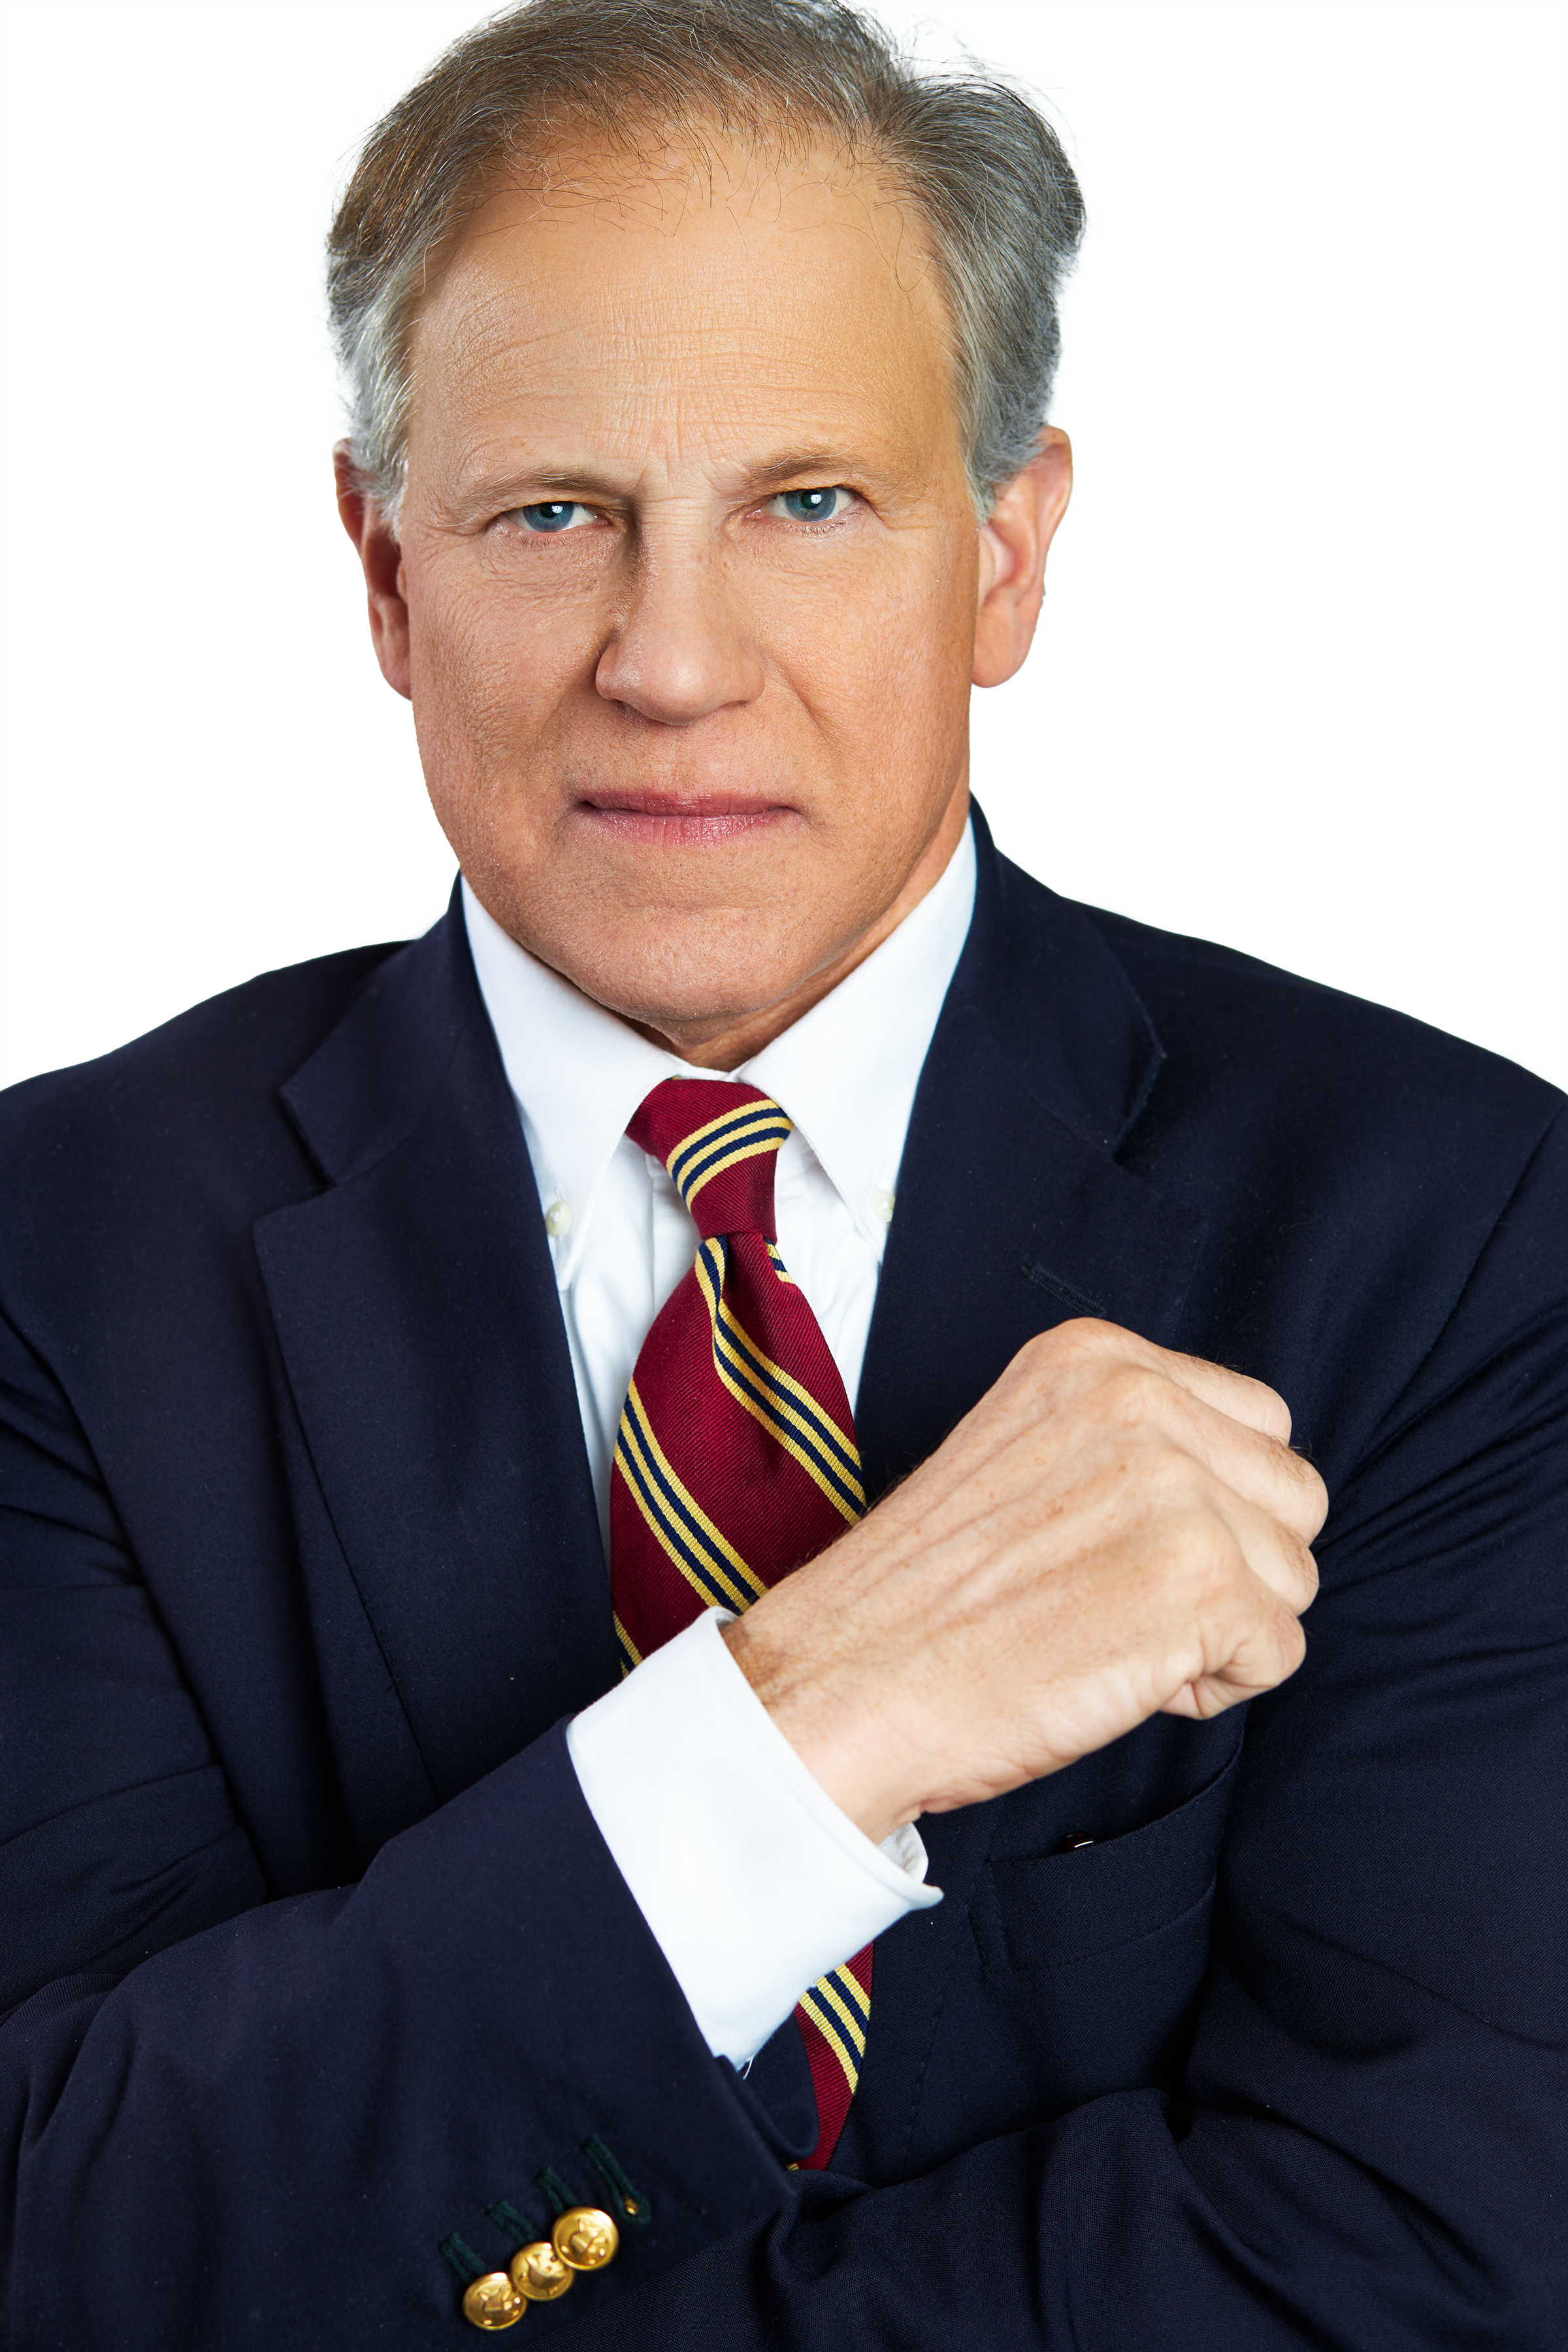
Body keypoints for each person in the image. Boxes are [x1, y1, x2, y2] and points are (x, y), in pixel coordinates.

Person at [1, 1, 1563, 2344]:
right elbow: (71, 2234)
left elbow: (1444, 2234)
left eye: (808, 502)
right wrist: (806, 1721)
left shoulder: (1456, 1234)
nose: (672, 658)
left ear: (1010, 554)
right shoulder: (59, 1254)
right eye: (553, 515)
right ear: (382, 570)